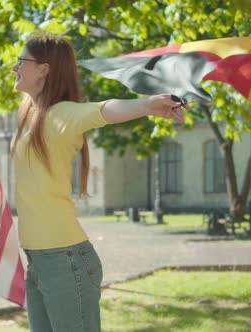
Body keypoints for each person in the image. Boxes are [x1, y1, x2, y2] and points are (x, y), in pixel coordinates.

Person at [11, 34, 186, 332]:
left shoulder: (61, 114)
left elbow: (103, 110)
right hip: (39, 260)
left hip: (65, 262)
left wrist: (146, 104)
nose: (14, 68)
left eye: (21, 61)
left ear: (43, 69)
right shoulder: (28, 113)